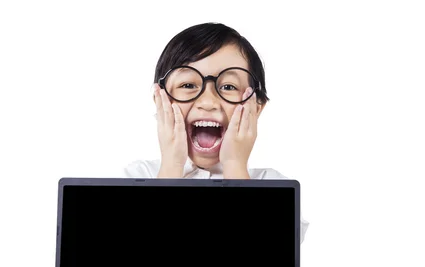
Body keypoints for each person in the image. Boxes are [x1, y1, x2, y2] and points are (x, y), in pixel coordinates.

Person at [124, 22, 309, 243]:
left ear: (256, 108)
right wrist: (171, 165)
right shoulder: (139, 177)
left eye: (228, 87)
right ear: (160, 100)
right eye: (188, 85)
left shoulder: (273, 186)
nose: (208, 102)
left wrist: (234, 165)